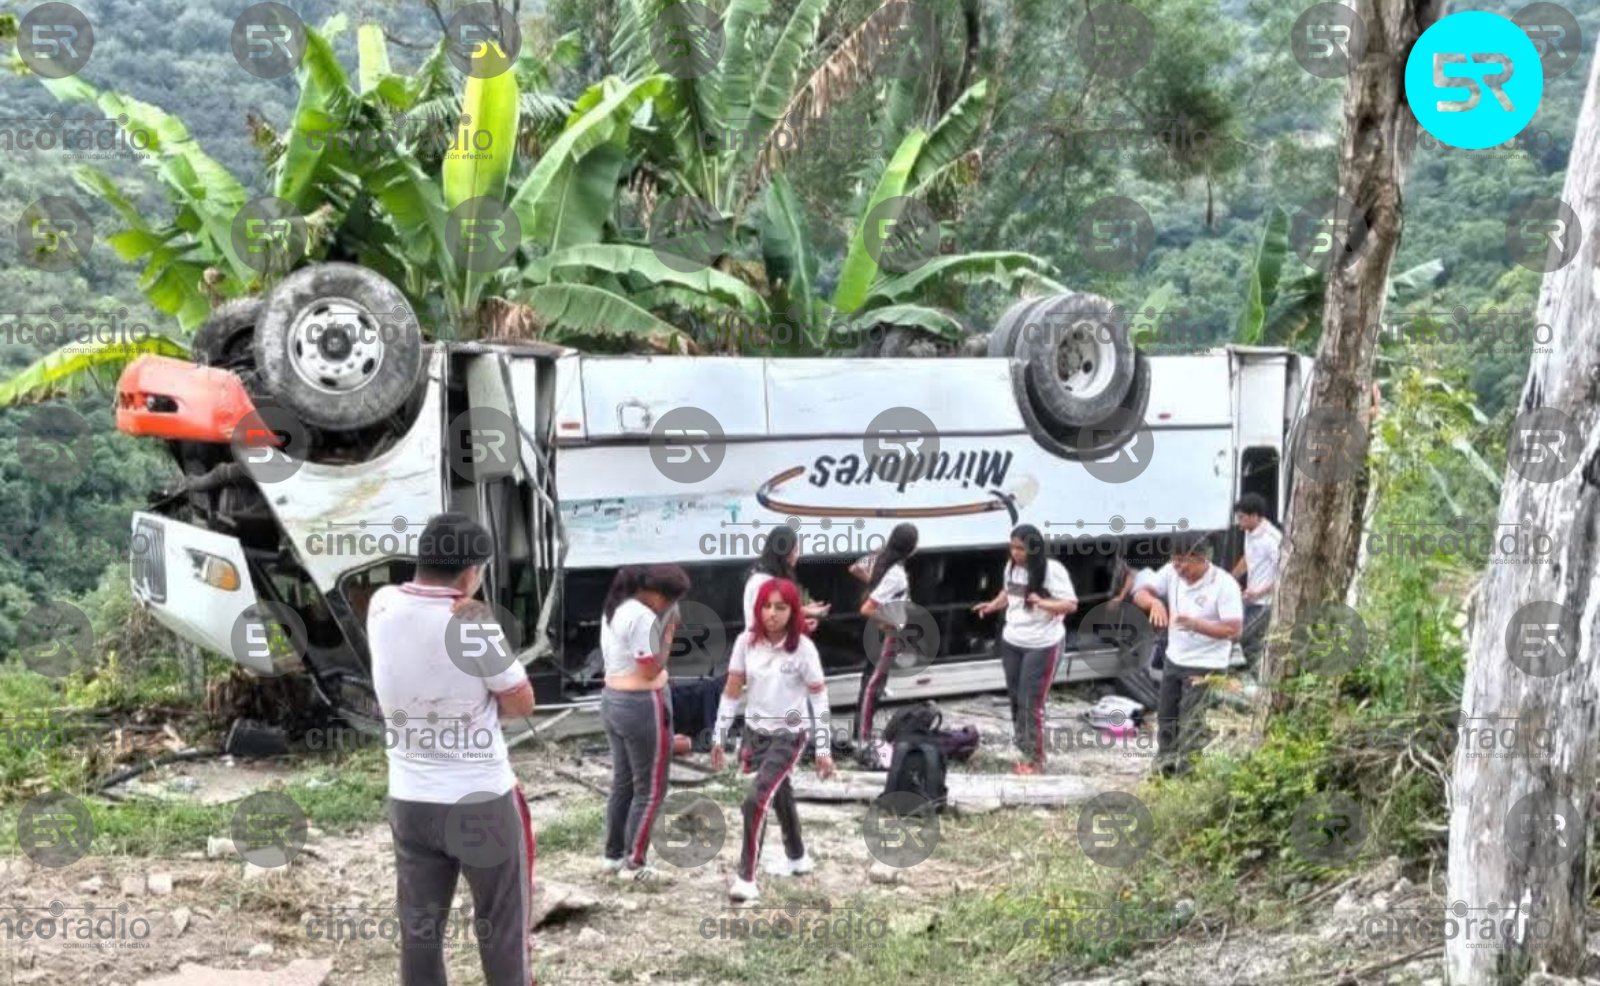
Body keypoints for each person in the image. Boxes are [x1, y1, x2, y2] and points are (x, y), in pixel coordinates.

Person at [367, 512, 537, 986]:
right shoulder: (473, 628)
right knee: (501, 929)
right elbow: (522, 701)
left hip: (410, 800)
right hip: (480, 799)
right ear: (471, 573)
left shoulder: (381, 606)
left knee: (419, 933)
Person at [711, 578, 834, 903]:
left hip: (789, 735)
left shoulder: (804, 649)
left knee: (755, 800)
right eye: (766, 606)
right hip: (755, 732)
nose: (772, 614)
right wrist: (719, 735)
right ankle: (797, 856)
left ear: (793, 611)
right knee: (779, 792)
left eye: (781, 607)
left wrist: (823, 748)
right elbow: (732, 691)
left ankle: (746, 878)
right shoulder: (745, 643)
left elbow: (819, 698)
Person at [598, 563, 691, 883]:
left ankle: (613, 856)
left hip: (612, 700)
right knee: (651, 789)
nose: (667, 606)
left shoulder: (615, 608)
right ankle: (635, 863)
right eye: (668, 599)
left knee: (623, 784)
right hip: (641, 704)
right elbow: (650, 669)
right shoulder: (642, 617)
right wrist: (667, 635)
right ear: (653, 592)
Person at [1131, 532, 1243, 777]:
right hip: (1175, 658)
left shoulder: (1224, 585)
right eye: (1175, 561)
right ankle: (1164, 770)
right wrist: (1155, 603)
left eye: (1185, 562)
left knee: (1192, 722)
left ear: (1203, 559)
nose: (1180, 568)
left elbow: (1233, 630)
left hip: (1206, 664)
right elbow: (1140, 591)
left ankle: (1188, 777)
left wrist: (1197, 625)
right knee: (1167, 718)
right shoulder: (1172, 572)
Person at [972, 524, 1078, 774]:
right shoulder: (1012, 567)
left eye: (1021, 548)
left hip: (1042, 643)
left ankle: (1037, 760)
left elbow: (1071, 605)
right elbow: (1009, 592)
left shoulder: (1053, 570)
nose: (1016, 553)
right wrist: (992, 606)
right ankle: (1024, 748)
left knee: (1031, 702)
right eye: (1013, 547)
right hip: (1013, 640)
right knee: (1016, 698)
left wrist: (1043, 603)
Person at [855, 522, 919, 746]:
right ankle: (863, 738)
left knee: (870, 682)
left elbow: (855, 568)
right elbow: (867, 608)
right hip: (886, 632)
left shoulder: (882, 559)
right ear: (911, 548)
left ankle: (861, 733)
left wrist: (873, 584)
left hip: (878, 630)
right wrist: (892, 622)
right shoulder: (896, 574)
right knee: (874, 686)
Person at [745, 524, 830, 632]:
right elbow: (771, 616)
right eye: (795, 551)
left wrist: (805, 613)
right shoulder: (763, 581)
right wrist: (806, 616)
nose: (797, 555)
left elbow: (782, 611)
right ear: (784, 553)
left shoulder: (767, 574)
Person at [1231, 494, 1282, 669]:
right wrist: (1231, 579)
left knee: (1242, 636)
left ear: (1255, 516)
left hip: (1265, 602)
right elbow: (1248, 559)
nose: (1239, 523)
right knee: (1250, 643)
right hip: (1250, 598)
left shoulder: (1272, 539)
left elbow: (1284, 573)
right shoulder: (1249, 532)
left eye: (1242, 518)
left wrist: (1259, 592)